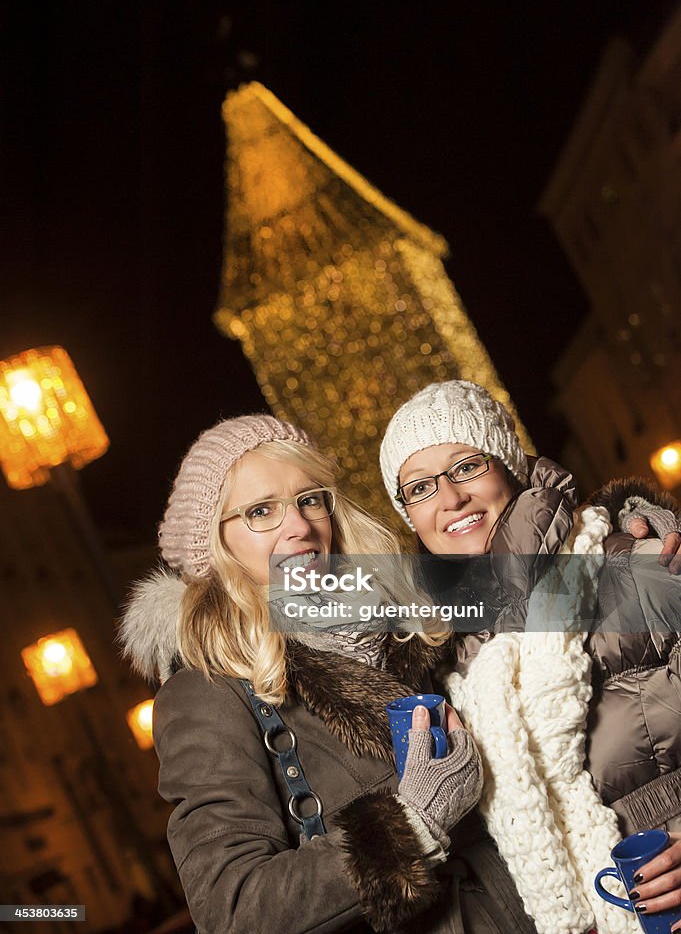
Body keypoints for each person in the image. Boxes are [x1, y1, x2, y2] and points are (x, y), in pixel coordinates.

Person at [120, 414, 537, 934]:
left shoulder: (410, 614)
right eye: (260, 511)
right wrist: (410, 826)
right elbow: (231, 907)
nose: (299, 526)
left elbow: (546, 583)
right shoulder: (207, 692)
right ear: (217, 545)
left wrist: (633, 528)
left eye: (309, 499)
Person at [380, 380, 681, 934]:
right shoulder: (446, 658)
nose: (449, 498)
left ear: (510, 466)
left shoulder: (635, 566)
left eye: (466, 466)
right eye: (420, 487)